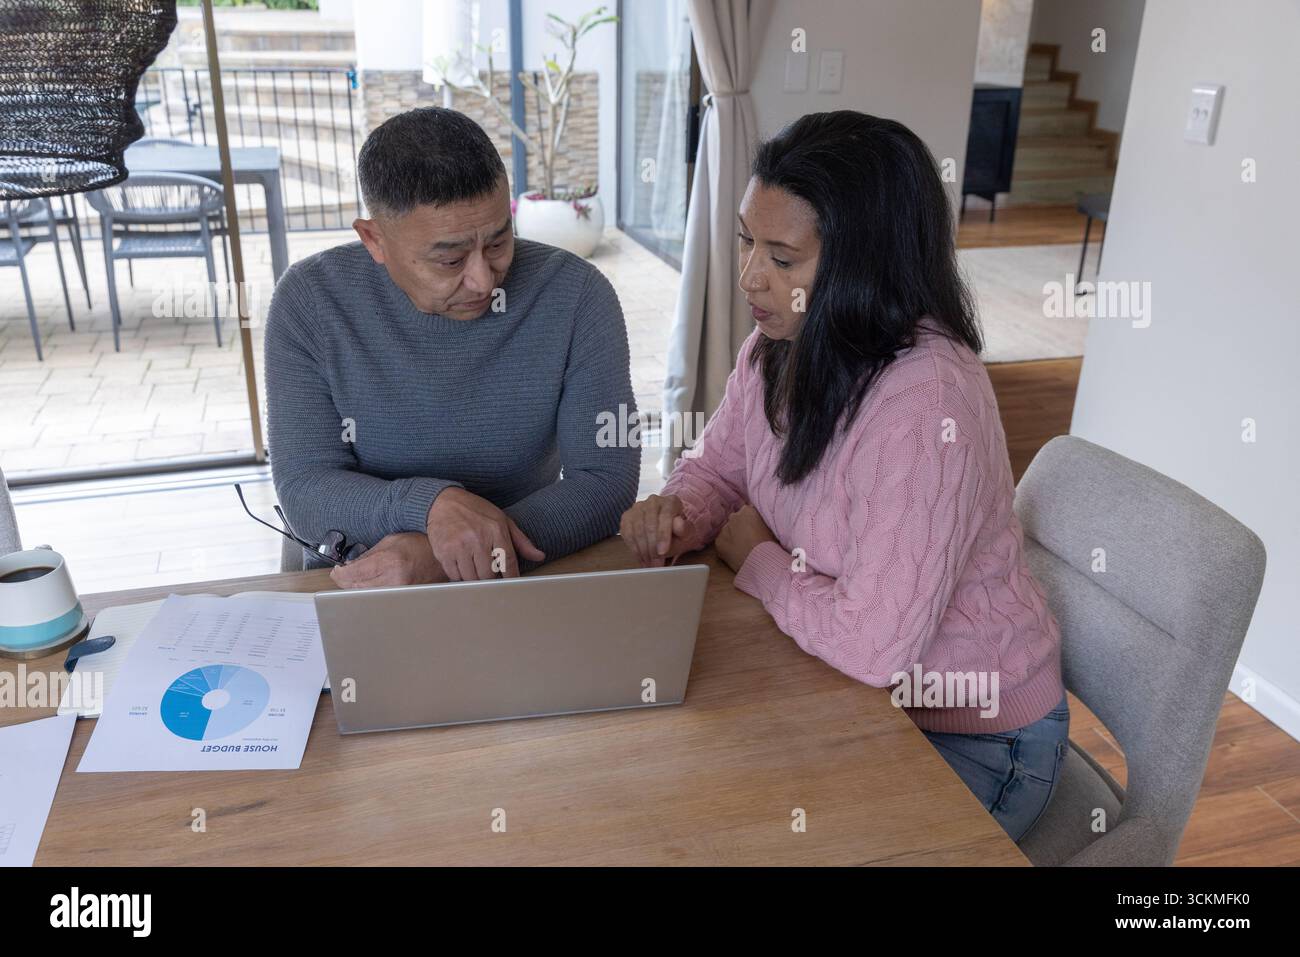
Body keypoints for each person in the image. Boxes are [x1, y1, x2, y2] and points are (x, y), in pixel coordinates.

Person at [620, 111, 1068, 842]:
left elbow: (874, 648)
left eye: (783, 258)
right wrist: (680, 510)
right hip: (857, 692)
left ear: (864, 264)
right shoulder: (782, 340)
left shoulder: (927, 402)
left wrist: (756, 558)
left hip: (976, 738)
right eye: (745, 241)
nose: (749, 277)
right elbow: (718, 469)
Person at [265, 107, 639, 587]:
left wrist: (440, 560)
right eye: (450, 259)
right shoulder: (310, 301)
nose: (483, 280)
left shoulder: (578, 295)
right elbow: (304, 487)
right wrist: (431, 509)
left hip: (519, 580)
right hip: (359, 579)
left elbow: (606, 481)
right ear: (374, 240)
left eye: (500, 243)